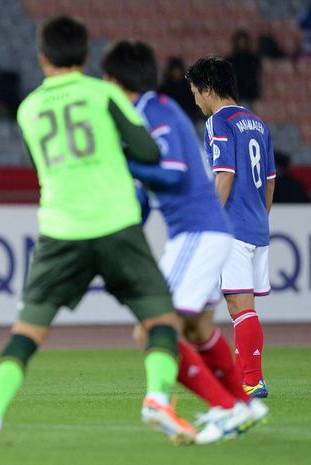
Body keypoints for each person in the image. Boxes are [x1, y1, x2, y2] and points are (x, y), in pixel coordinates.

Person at [0, 16, 196, 449]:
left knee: (26, 332)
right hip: (117, 224)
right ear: (87, 56)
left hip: (60, 229)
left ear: (41, 58)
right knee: (161, 319)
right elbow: (148, 151)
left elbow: (41, 169)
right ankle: (158, 398)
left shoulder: (27, 108)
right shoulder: (104, 93)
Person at [102, 40, 268, 444]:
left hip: (199, 230)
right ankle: (242, 404)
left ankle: (205, 405)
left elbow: (175, 173)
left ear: (114, 81)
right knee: (197, 328)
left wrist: (123, 165)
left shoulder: (152, 114)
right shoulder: (164, 112)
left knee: (151, 330)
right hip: (217, 228)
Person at [186, 56, 275, 399]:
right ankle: (247, 376)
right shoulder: (258, 124)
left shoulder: (218, 123)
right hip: (256, 226)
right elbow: (269, 182)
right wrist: (260, 219)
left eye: (196, 92)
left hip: (233, 227)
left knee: (240, 307)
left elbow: (224, 175)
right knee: (245, 307)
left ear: (208, 89)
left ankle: (252, 380)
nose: (195, 99)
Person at [226, 30, 261, 107]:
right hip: (235, 93)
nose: (242, 44)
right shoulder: (231, 60)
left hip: (248, 94)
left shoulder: (252, 59)